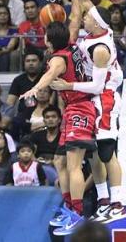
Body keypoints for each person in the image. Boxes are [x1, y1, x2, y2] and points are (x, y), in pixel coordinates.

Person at [52, 0, 126, 225]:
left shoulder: (101, 49)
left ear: (96, 22)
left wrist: (67, 87)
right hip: (93, 102)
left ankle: (118, 204)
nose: (83, 17)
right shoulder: (99, 27)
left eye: (87, 17)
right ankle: (104, 201)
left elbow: (96, 86)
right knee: (94, 154)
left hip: (104, 98)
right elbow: (83, 1)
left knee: (107, 152)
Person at [21, 21, 97, 235]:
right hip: (75, 109)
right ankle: (68, 205)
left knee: (74, 165)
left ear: (49, 39)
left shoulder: (58, 58)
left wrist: (35, 88)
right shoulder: (70, 45)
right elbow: (73, 19)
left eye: (45, 34)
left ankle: (77, 212)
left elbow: (50, 73)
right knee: (59, 160)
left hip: (80, 108)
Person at [6, 50, 44, 114]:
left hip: (43, 115)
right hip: (23, 116)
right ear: (24, 63)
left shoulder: (46, 78)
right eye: (28, 61)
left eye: (34, 61)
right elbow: (10, 103)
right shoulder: (18, 80)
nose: (31, 63)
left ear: (40, 63)